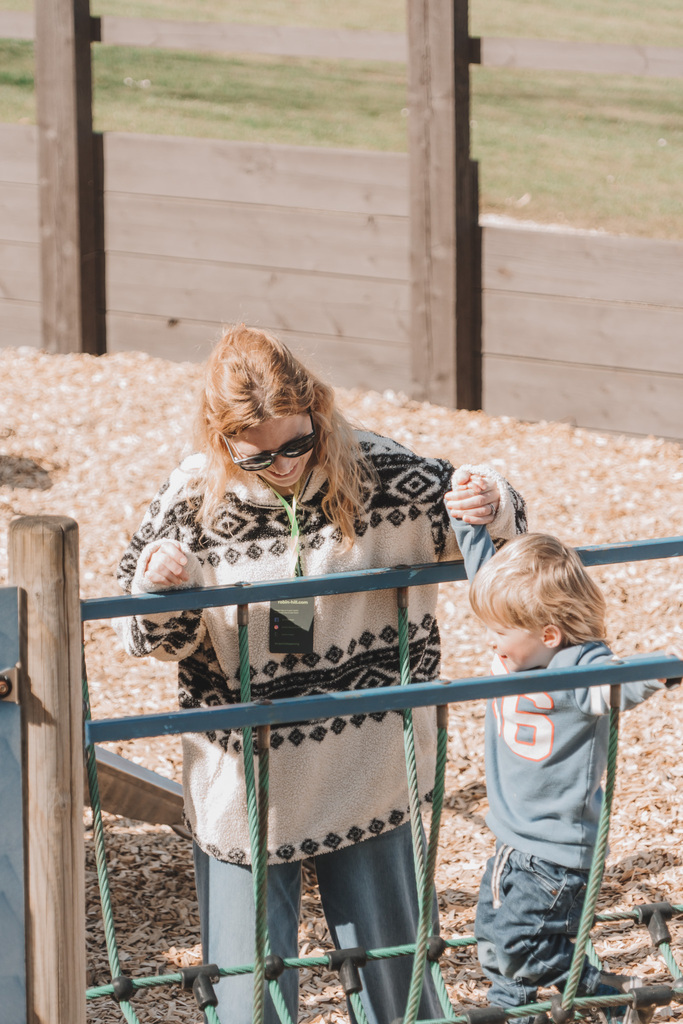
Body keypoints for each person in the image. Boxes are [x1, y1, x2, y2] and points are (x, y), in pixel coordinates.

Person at [113, 324, 527, 1024]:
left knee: (395, 983)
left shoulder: (379, 470)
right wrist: (162, 588)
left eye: (296, 444)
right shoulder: (191, 499)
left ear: (318, 412)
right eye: (256, 456)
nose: (280, 466)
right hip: (246, 780)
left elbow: (490, 540)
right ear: (220, 444)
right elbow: (141, 635)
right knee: (249, 995)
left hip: (364, 762)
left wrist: (492, 498)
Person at [443, 478, 683, 1024]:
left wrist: (665, 667)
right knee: (493, 940)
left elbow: (615, 685)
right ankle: (528, 1013)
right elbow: (484, 569)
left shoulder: (578, 668)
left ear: (548, 634)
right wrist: (468, 507)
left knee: (520, 947)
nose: (490, 642)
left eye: (499, 631)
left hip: (555, 853)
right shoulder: (520, 634)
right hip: (509, 836)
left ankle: (615, 994)